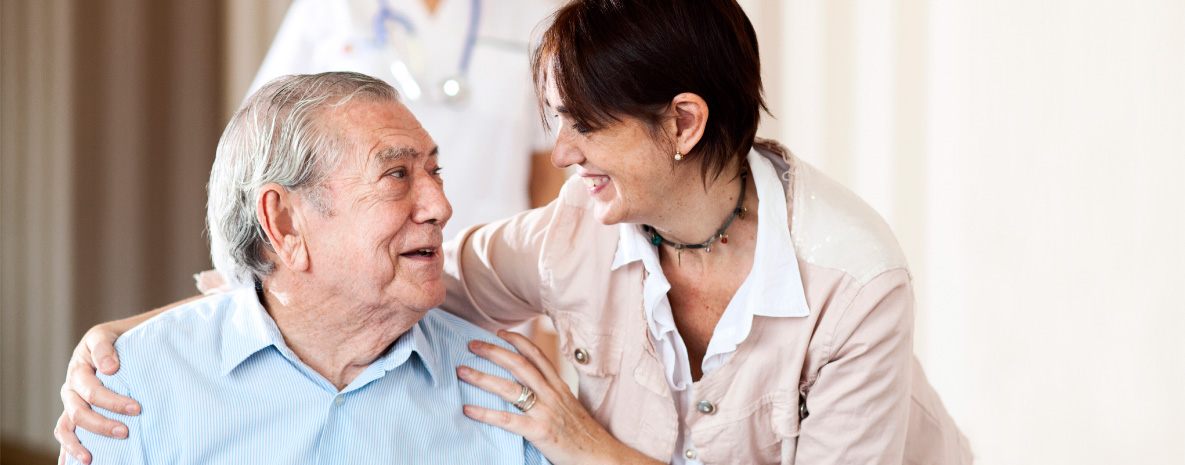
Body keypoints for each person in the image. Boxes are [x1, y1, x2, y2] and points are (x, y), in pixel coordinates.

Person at [58, 1, 974, 464]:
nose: (559, 151)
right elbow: (350, 281)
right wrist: (138, 338)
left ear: (683, 125)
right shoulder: (565, 239)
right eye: (555, 119)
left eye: (585, 125)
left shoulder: (854, 280)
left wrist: (583, 443)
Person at [62, 72, 547, 464]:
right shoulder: (131, 388)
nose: (440, 206)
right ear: (284, 222)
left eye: (434, 172)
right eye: (397, 174)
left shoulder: (506, 390)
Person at [252, 0, 566, 239]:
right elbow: (264, 132)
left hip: (499, 255)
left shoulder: (536, 11)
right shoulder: (330, 9)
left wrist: (546, 297)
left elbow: (549, 165)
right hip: (362, 252)